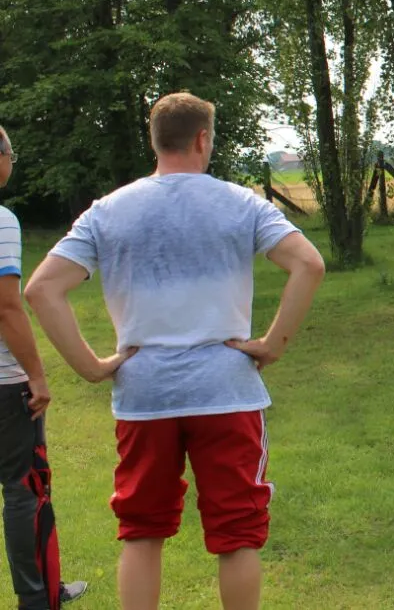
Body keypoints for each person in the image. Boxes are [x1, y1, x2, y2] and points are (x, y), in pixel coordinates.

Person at [24, 93, 327, 610]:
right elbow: (309, 264)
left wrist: (92, 368)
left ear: (155, 140)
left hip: (145, 397)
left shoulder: (108, 210)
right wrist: (271, 346)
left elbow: (42, 288)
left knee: (141, 530)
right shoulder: (242, 203)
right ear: (202, 139)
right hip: (226, 392)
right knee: (238, 533)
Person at [0, 126, 90, 610]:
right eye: (11, 153)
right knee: (25, 488)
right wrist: (36, 374)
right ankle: (37, 598)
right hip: (5, 384)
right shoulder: (2, 221)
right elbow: (6, 307)